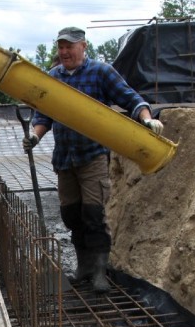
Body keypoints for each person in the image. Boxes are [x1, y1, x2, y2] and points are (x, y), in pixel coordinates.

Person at [23, 26, 164, 294]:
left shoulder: (101, 72)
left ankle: (100, 271)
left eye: (69, 46)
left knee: (93, 214)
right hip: (65, 158)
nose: (64, 52)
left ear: (83, 46)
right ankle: (84, 266)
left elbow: (131, 98)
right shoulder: (53, 78)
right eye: (60, 47)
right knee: (71, 214)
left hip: (92, 156)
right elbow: (43, 117)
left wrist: (147, 119)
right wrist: (34, 136)